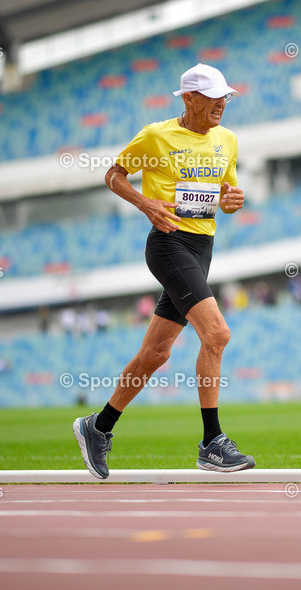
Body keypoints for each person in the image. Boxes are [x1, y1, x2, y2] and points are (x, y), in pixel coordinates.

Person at [73, 63, 255, 478]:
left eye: (225, 96)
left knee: (155, 354)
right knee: (218, 333)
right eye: (213, 96)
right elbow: (113, 174)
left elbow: (226, 190)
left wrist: (232, 199)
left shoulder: (228, 140)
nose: (222, 104)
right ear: (189, 98)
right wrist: (145, 203)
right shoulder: (156, 136)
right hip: (169, 243)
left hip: (202, 247)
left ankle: (97, 427)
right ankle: (212, 443)